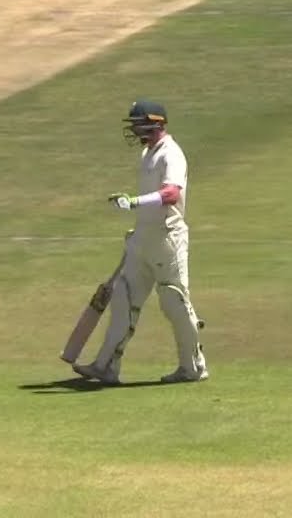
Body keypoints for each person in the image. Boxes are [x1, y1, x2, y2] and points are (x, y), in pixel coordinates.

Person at [74, 100, 208, 384]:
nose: (133, 129)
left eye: (137, 124)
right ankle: (106, 366)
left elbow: (171, 194)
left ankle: (193, 366)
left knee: (174, 301)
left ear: (155, 123)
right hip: (143, 238)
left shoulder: (172, 154)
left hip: (167, 238)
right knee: (123, 298)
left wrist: (134, 202)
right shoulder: (149, 153)